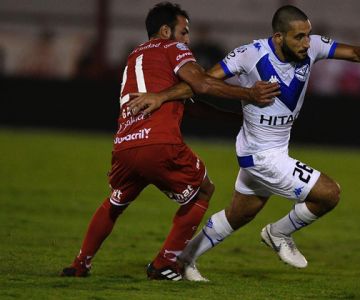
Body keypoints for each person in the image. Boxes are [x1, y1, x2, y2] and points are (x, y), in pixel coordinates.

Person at [127, 4, 360, 281]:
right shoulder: (250, 55)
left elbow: (351, 52)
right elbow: (202, 81)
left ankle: (183, 260)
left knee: (238, 215)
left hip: (275, 149)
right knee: (329, 193)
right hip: (260, 155)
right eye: (298, 37)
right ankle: (279, 233)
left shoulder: (311, 47)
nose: (306, 43)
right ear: (279, 37)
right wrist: (161, 96)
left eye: (308, 35)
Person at [60, 2, 279, 280]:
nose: (187, 39)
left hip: (126, 144)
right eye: (184, 32)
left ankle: (80, 264)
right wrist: (250, 95)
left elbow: (192, 104)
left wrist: (235, 119)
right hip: (159, 143)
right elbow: (201, 85)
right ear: (165, 31)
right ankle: (165, 262)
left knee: (115, 204)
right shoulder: (171, 48)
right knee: (203, 190)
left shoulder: (135, 56)